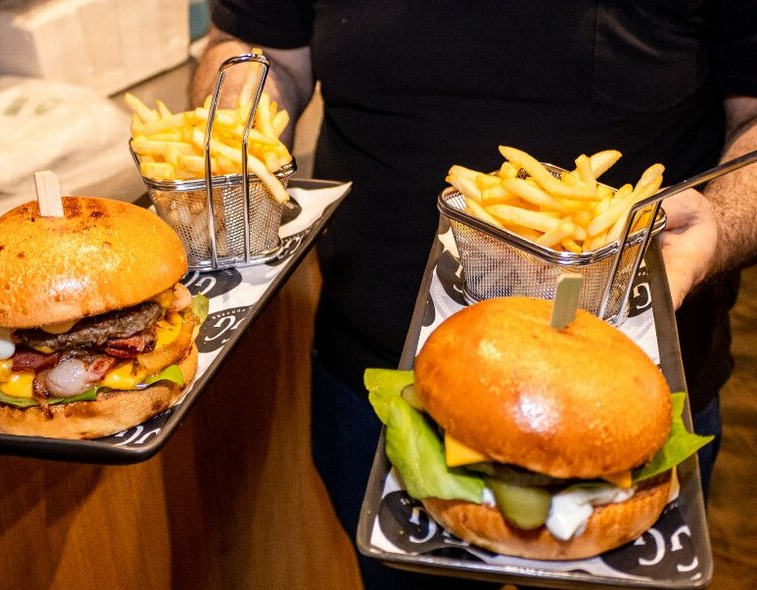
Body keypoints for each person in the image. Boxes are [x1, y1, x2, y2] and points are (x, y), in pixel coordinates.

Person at [192, 2, 757, 588]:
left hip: (637, 398)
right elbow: (255, 47)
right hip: (378, 379)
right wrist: (234, 127)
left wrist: (719, 221)